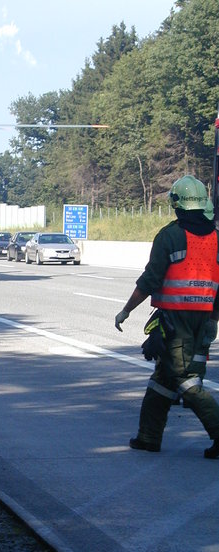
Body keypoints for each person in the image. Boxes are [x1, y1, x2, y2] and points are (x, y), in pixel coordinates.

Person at [115, 175, 219, 459]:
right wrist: (213, 321)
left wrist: (126, 310)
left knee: (185, 380)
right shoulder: (216, 237)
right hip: (205, 320)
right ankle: (148, 437)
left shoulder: (170, 236)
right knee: (163, 379)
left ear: (176, 204)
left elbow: (150, 279)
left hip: (177, 320)